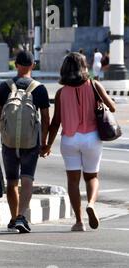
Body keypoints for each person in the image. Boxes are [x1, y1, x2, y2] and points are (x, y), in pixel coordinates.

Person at [42, 52, 116, 232]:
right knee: (91, 177)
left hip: (69, 140)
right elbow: (112, 107)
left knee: (73, 181)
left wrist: (47, 144)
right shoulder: (94, 85)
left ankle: (78, 221)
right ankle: (91, 204)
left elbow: (56, 122)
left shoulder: (61, 93)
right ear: (84, 67)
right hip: (91, 137)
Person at [0, 50, 50, 233]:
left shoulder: (5, 87)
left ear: (16, 65)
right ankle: (22, 216)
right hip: (31, 142)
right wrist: (44, 142)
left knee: (12, 181)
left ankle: (13, 218)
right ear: (33, 65)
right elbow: (46, 119)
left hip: (8, 142)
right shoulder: (39, 88)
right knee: (27, 178)